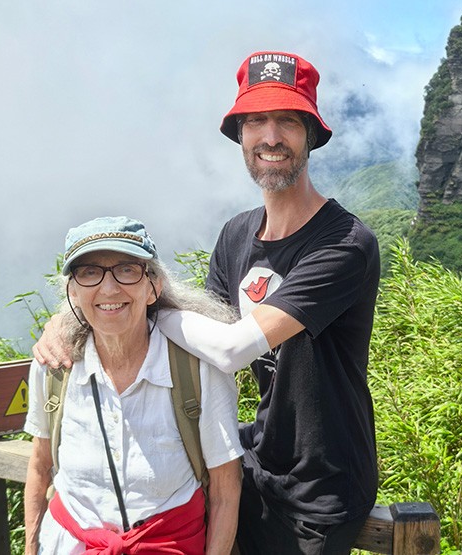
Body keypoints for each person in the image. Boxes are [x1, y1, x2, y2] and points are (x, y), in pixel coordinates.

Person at [34, 50, 381, 555]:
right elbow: (194, 333)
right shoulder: (237, 234)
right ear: (240, 135)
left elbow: (227, 348)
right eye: (255, 121)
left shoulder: (343, 243)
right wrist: (69, 320)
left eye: (287, 121)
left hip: (321, 488)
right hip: (255, 463)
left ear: (312, 135)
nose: (270, 137)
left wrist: (132, 303)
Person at [25, 216, 243, 555]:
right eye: (89, 272)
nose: (109, 289)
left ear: (153, 286)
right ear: (72, 291)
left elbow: (226, 489)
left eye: (127, 270)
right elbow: (40, 468)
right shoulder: (55, 366)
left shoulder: (195, 369)